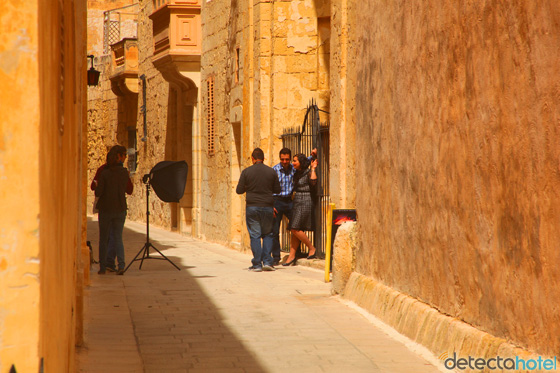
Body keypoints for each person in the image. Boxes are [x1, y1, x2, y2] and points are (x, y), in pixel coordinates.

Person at [236, 148, 281, 272]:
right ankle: (267, 261)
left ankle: (257, 264)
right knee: (268, 234)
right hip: (267, 206)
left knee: (255, 235)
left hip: (252, 207)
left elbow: (239, 190)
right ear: (263, 158)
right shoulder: (271, 172)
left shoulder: (246, 172)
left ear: (252, 158)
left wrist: (249, 185)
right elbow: (277, 190)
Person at [272, 148, 317, 265]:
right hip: (277, 201)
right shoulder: (275, 170)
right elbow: (268, 187)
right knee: (274, 230)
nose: (285, 161)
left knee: (296, 226)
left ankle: (298, 253)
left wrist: (313, 155)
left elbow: (304, 160)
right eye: (282, 159)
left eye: (287, 159)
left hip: (290, 201)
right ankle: (276, 257)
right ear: (279, 158)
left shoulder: (294, 167)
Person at [90, 147, 133, 272]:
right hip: (120, 208)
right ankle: (121, 265)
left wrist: (98, 185)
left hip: (105, 209)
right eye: (123, 155)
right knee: (118, 238)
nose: (125, 157)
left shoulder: (104, 172)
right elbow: (129, 190)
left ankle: (103, 267)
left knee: (103, 239)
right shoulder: (124, 172)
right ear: (118, 157)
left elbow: (97, 192)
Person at [283, 153, 318, 266]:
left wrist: (313, 168)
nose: (293, 163)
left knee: (294, 228)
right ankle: (292, 256)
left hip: (305, 200)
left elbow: (313, 182)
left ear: (300, 163)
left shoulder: (308, 172)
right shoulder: (297, 172)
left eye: (295, 161)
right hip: (297, 200)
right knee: (295, 228)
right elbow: (306, 159)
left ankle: (311, 248)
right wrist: (312, 154)